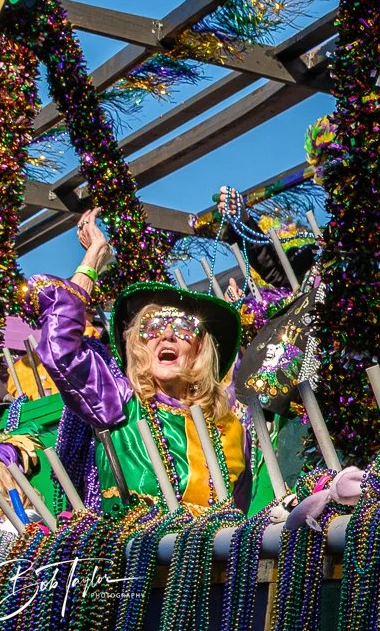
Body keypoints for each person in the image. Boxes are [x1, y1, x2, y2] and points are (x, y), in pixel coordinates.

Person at [25, 208, 251, 512]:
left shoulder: (232, 428)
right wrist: (93, 259)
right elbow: (60, 350)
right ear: (138, 346)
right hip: (132, 542)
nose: (166, 336)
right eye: (152, 327)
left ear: (200, 348)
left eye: (184, 327)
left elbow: (240, 516)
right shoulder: (119, 403)